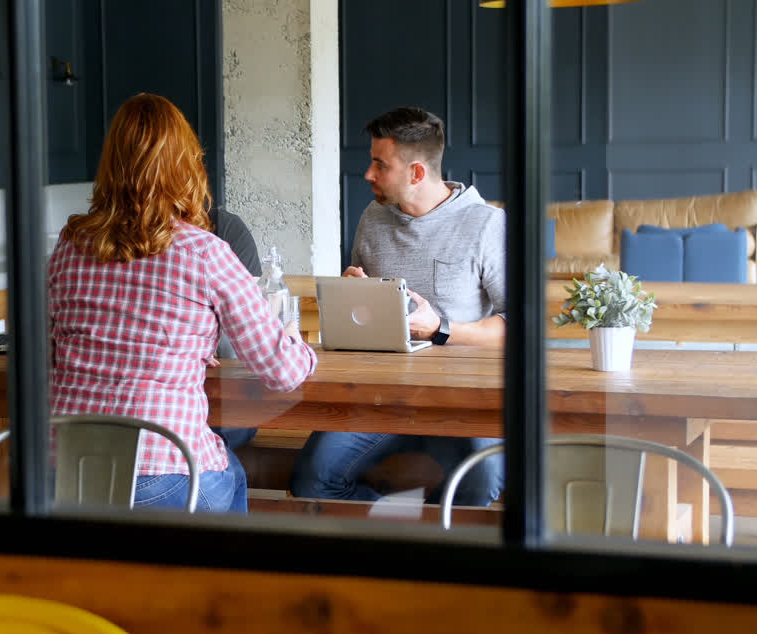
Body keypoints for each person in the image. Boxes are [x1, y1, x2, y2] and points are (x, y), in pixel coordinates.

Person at [49, 93, 317, 513]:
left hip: (70, 469)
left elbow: (51, 348)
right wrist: (291, 336)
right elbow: (283, 372)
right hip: (161, 470)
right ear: (186, 165)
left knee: (231, 473)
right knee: (229, 476)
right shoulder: (204, 252)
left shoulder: (70, 245)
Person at [290, 106, 507, 506]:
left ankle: (435, 551)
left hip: (463, 402)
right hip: (380, 398)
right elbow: (365, 318)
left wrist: (440, 328)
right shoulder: (373, 217)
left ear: (417, 173)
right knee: (311, 480)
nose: (368, 174)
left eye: (379, 164)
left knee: (485, 477)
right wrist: (354, 295)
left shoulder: (486, 224)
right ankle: (395, 529)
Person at [209, 206, 262, 452]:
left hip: (88, 426)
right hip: (178, 415)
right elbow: (284, 371)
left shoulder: (225, 228)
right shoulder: (201, 249)